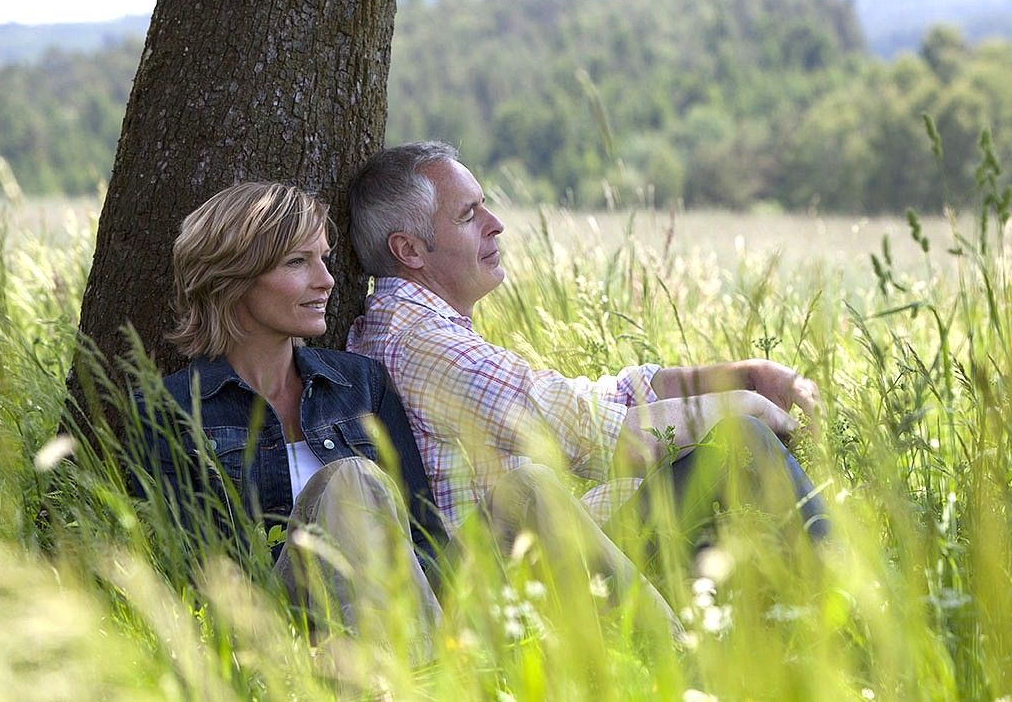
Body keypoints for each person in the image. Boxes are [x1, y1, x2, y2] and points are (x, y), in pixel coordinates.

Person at [343, 141, 828, 573]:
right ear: (409, 249)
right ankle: (860, 595)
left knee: (718, 464)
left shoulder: (409, 326)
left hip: (526, 552)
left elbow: (576, 403)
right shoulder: (424, 344)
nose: (496, 225)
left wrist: (735, 378)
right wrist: (745, 405)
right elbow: (607, 442)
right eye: (469, 216)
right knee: (742, 437)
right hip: (514, 587)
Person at [128, 181, 446, 657]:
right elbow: (196, 574)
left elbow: (425, 535)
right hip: (281, 638)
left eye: (323, 258)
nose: (327, 279)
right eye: (298, 262)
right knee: (350, 478)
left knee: (532, 491)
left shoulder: (361, 384)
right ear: (233, 278)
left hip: (407, 619)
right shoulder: (170, 410)